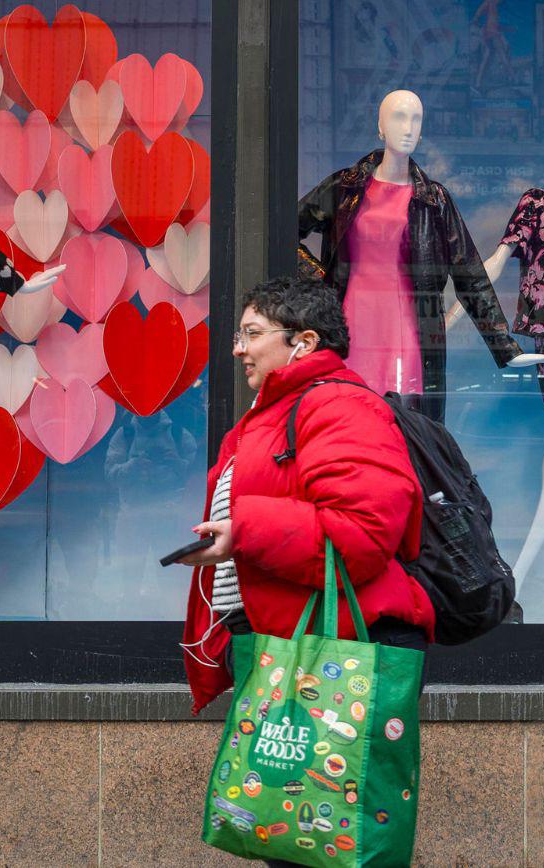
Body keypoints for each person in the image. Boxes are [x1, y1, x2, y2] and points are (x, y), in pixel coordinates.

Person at [179, 275, 433, 701]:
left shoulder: (342, 407)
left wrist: (244, 531)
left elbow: (364, 531)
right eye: (239, 335)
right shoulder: (270, 416)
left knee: (329, 771)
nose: (238, 348)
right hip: (282, 647)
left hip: (339, 651)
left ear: (306, 341)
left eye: (253, 334)